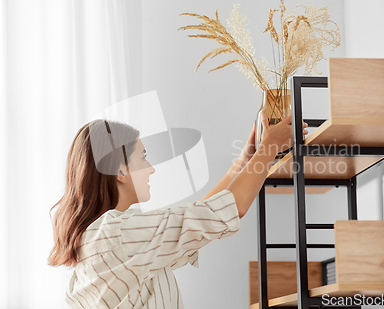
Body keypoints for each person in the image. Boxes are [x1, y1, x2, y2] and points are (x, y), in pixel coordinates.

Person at [48, 114, 308, 309]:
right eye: (143, 158)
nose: (151, 168)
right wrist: (268, 148)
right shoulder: (119, 232)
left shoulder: (101, 235)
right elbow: (225, 211)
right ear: (120, 171)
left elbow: (198, 218)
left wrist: (244, 162)